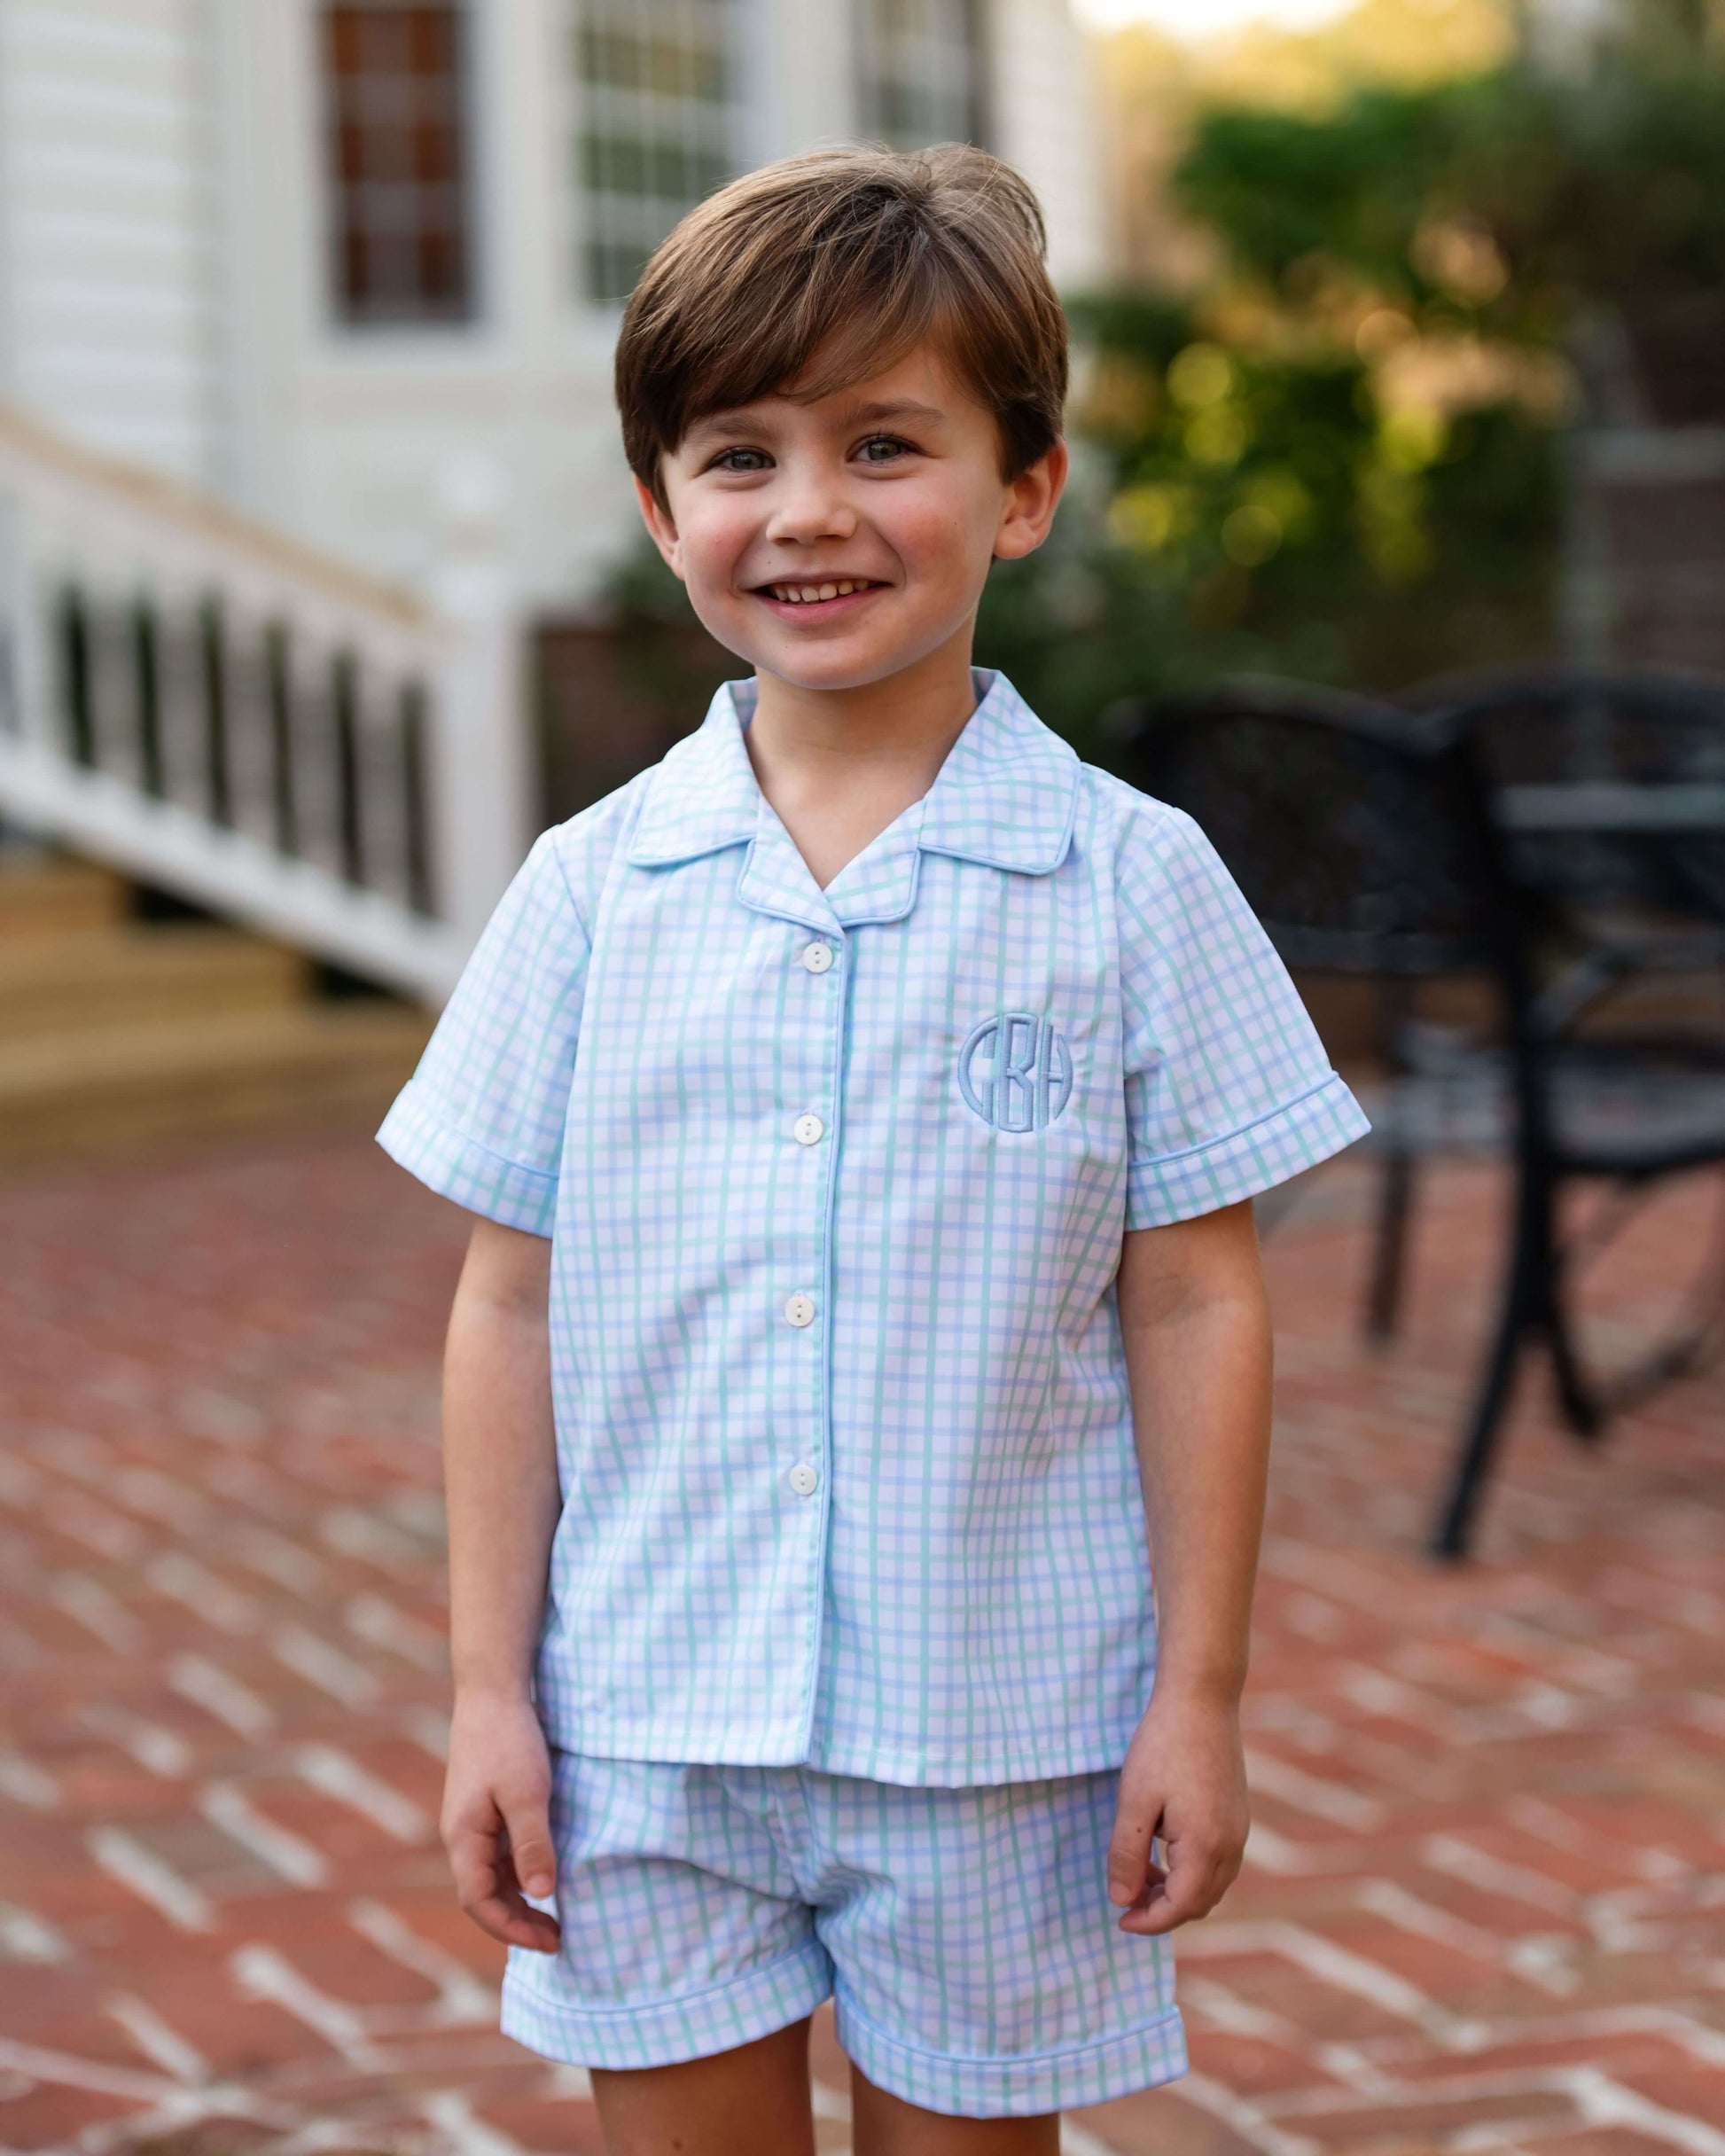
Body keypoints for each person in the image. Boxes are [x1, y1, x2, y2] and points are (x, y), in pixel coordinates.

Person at [378, 145, 1369, 2156]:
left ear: (1022, 486)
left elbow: (1196, 1293)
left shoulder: (1126, 880)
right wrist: (493, 1693)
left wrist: (1203, 1690)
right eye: (738, 454)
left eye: (885, 442)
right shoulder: (588, 890)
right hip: (643, 1724)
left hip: (1001, 1731)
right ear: (661, 509)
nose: (808, 510)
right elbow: (510, 1297)